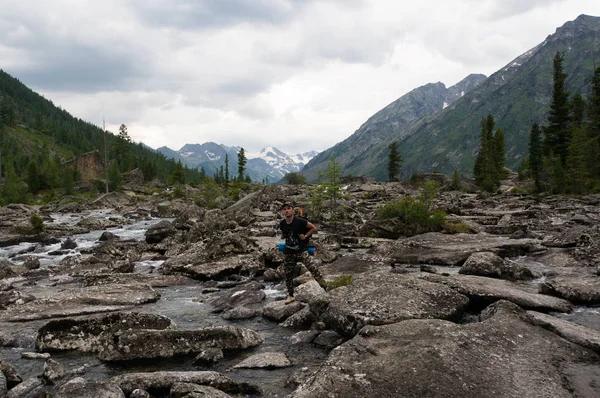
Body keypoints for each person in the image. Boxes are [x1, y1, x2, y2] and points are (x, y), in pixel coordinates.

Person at [279, 201, 326, 304]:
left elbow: (313, 227)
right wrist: (284, 236)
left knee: (313, 269)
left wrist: (305, 236)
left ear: (293, 210)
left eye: (288, 208)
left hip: (301, 250)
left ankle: (325, 288)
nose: (286, 211)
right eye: (285, 209)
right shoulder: (282, 223)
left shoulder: (300, 221)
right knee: (288, 275)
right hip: (289, 252)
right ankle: (291, 295)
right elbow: (283, 234)